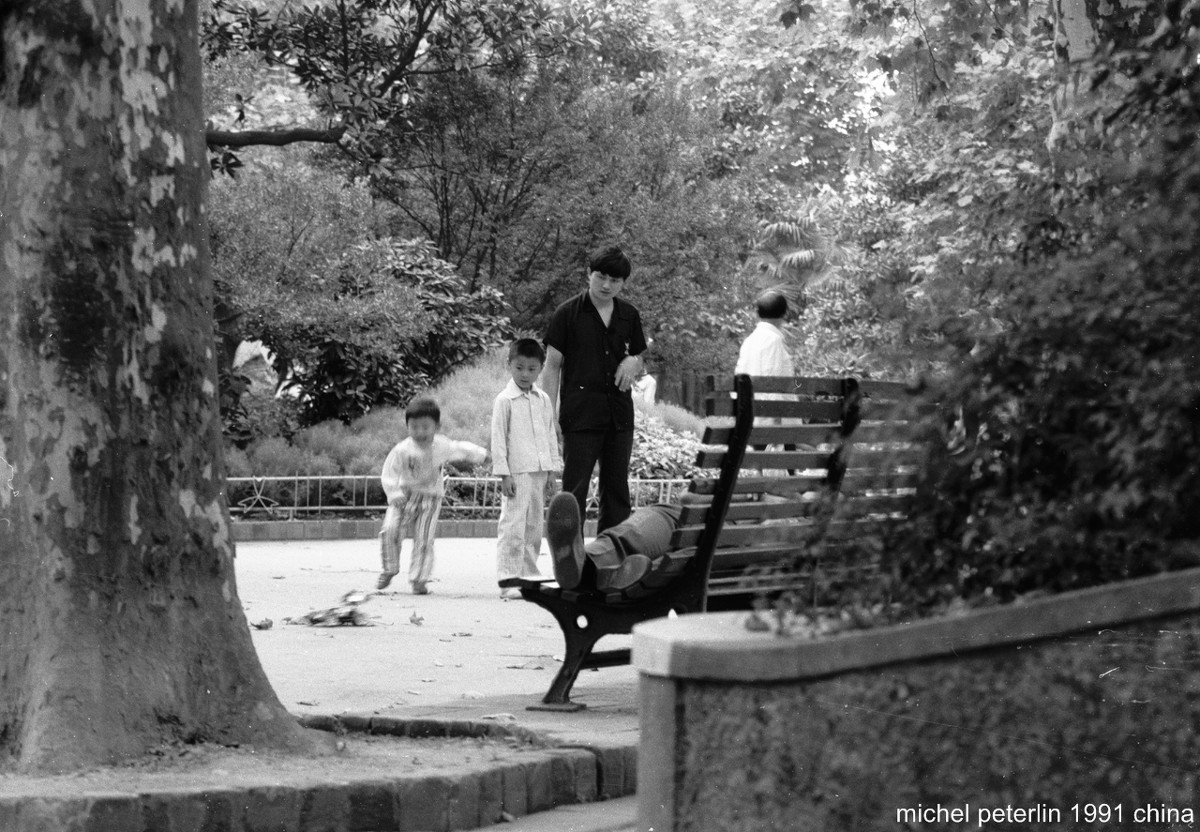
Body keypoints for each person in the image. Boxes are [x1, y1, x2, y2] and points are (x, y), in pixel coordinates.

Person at [542, 244, 648, 534]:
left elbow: (639, 355)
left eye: (615, 280)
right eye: (601, 276)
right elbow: (552, 366)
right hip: (580, 416)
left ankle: (611, 558)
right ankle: (571, 560)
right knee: (574, 490)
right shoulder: (567, 313)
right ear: (588, 274)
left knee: (616, 491)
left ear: (623, 283)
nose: (606, 285)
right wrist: (548, 414)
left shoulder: (629, 315)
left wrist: (632, 362)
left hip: (619, 416)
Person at [377, 396, 488, 595]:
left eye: (425, 427)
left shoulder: (441, 445)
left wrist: (482, 455)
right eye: (414, 427)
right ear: (407, 426)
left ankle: (419, 578)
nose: (420, 432)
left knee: (424, 540)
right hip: (403, 497)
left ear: (436, 426)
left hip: (430, 499)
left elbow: (460, 448)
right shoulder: (402, 449)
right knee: (390, 530)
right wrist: (393, 493)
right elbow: (389, 471)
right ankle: (390, 568)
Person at [491, 338, 563, 600]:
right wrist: (504, 474)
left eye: (532, 369)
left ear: (541, 369)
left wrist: (552, 471)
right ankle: (508, 579)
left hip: (539, 472)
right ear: (509, 365)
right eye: (519, 367)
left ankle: (529, 576)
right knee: (512, 526)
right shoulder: (504, 400)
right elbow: (498, 440)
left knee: (533, 527)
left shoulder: (543, 399)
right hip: (517, 473)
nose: (525, 374)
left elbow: (548, 434)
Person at [545, 491, 682, 592]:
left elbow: (690, 497)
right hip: (684, 524)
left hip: (679, 518)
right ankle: (609, 575)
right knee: (629, 537)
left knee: (627, 536)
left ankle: (588, 565)